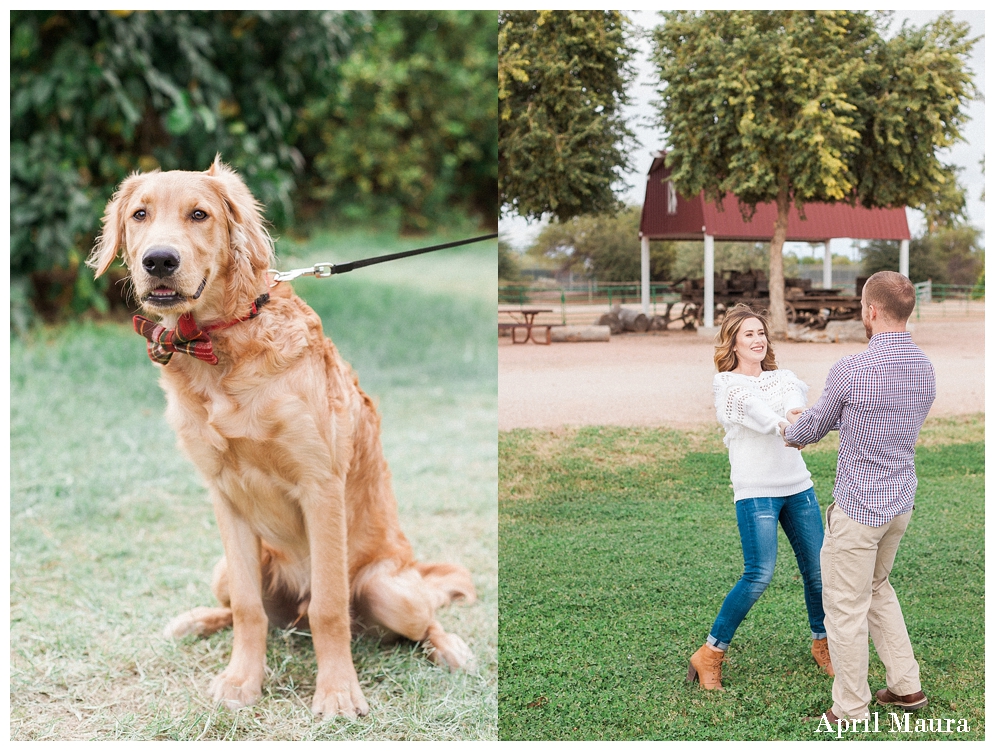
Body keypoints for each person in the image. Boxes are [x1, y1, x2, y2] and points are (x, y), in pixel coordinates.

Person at [783, 271, 935, 724]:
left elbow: (808, 431)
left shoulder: (853, 368)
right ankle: (907, 687)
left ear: (870, 311)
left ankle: (849, 709)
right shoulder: (924, 367)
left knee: (845, 608)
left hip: (859, 509)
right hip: (900, 502)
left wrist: (790, 423)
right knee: (877, 588)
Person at [687, 304, 834, 690]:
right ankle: (710, 653)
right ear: (733, 341)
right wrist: (784, 427)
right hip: (756, 492)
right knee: (758, 575)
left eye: (761, 333)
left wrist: (795, 416)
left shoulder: (783, 377)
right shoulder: (726, 384)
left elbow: (792, 397)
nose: (757, 339)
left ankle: (823, 644)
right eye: (749, 334)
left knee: (819, 572)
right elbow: (750, 411)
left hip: (798, 487)